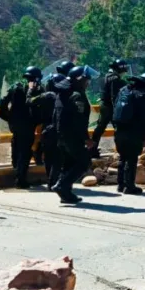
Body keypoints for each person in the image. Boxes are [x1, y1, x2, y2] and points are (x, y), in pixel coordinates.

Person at [52, 66, 94, 204]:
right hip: (73, 136)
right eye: (86, 81)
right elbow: (79, 120)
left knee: (68, 164)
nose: (87, 84)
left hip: (61, 135)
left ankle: (66, 194)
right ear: (79, 80)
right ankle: (62, 186)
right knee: (83, 162)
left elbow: (55, 116)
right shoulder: (76, 96)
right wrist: (86, 138)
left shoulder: (62, 93)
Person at [0, 66, 42, 188]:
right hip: (27, 125)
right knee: (25, 151)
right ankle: (21, 179)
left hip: (15, 125)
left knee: (16, 146)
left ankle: (17, 172)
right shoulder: (34, 88)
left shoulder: (15, 86)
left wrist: (8, 118)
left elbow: (3, 103)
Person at [112, 72, 145, 195]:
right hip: (133, 131)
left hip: (119, 129)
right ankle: (129, 186)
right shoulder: (143, 95)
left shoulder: (124, 90)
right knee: (131, 159)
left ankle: (120, 185)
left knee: (122, 157)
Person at [31, 73, 65, 189]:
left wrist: (32, 90)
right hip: (58, 130)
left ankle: (51, 181)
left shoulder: (46, 96)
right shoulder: (63, 96)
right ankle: (53, 182)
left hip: (46, 130)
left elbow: (30, 101)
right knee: (57, 158)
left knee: (49, 157)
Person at [90, 59, 128, 157]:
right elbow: (114, 96)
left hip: (105, 106)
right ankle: (122, 151)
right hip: (110, 107)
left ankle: (92, 150)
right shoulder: (115, 79)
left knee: (99, 128)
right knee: (119, 129)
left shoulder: (107, 76)